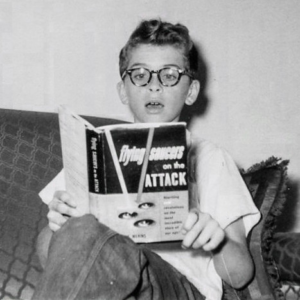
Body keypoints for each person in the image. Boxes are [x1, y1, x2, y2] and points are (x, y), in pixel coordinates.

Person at [33, 19, 260, 300]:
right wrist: (59, 227)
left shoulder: (211, 158)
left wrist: (217, 240)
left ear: (190, 91)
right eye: (140, 75)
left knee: (105, 244)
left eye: (169, 75)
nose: (154, 86)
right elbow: (46, 259)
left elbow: (240, 276)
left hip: (176, 287)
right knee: (84, 230)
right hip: (106, 283)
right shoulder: (96, 150)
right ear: (123, 90)